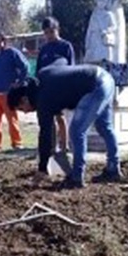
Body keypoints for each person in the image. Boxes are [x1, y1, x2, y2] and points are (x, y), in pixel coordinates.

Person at [7, 64, 123, 189]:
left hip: (94, 87)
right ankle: (113, 169)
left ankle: (77, 178)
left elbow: (45, 134)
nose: (24, 112)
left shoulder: (42, 99)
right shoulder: (42, 81)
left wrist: (42, 168)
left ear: (24, 99)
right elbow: (59, 121)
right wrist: (63, 147)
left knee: (77, 131)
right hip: (106, 78)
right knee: (105, 127)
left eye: (21, 108)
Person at [35, 17, 75, 163]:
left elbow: (71, 67)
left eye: (51, 32)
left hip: (61, 87)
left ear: (57, 30)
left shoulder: (65, 46)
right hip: (46, 89)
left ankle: (64, 146)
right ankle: (50, 146)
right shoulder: (44, 49)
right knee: (47, 120)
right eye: (46, 33)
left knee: (60, 117)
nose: (49, 35)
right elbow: (39, 70)